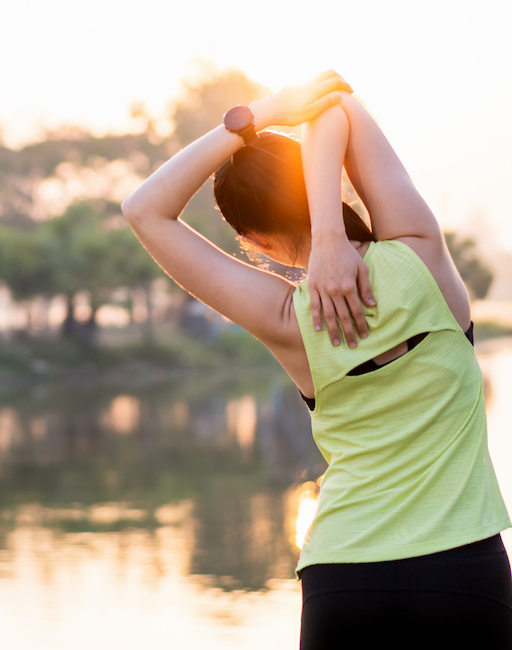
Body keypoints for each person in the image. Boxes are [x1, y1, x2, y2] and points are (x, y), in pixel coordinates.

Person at [121, 71, 512, 648]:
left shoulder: (285, 317)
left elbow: (144, 210)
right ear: (320, 190)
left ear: (253, 241)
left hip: (344, 581)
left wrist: (258, 113)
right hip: (462, 571)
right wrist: (330, 229)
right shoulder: (420, 255)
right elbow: (338, 102)